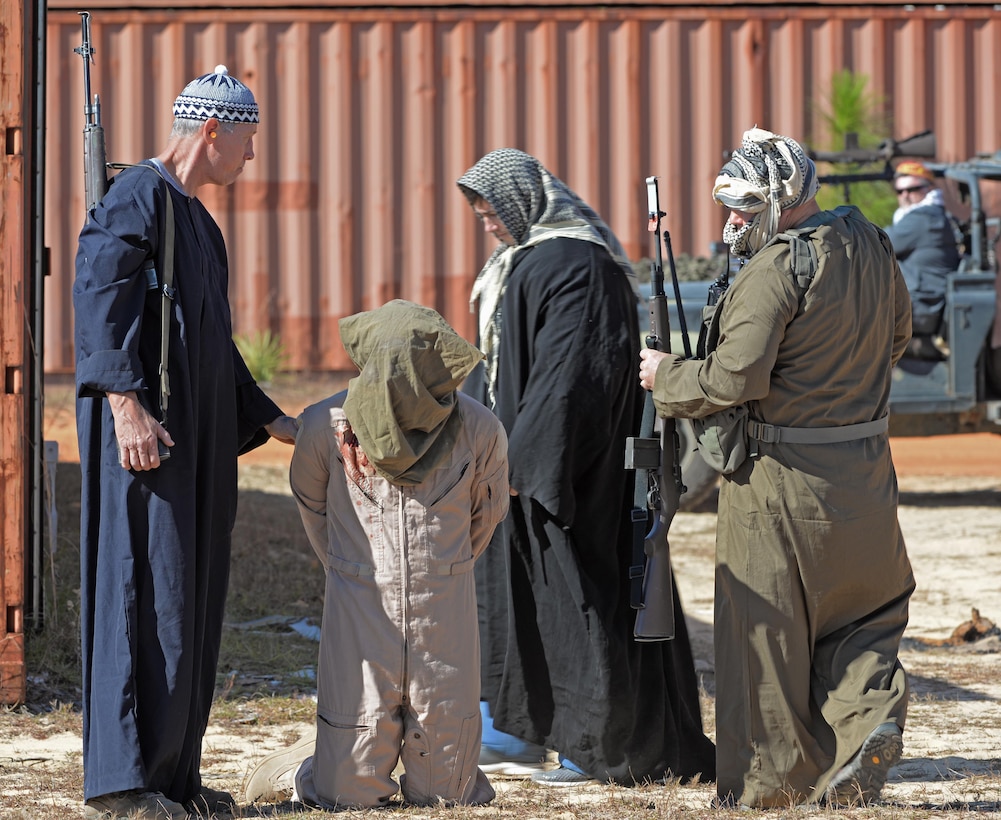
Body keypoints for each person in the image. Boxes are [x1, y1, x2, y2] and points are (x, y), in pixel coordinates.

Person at [638, 127, 915, 808]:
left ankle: (768, 788)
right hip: (865, 474)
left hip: (774, 481)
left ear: (782, 200)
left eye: (742, 204)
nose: (731, 218)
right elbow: (899, 337)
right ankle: (864, 731)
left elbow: (733, 378)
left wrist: (663, 374)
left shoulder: (775, 267)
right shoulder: (871, 244)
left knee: (762, 640)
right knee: (864, 620)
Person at [74, 66, 298, 820]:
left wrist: (276, 422)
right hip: (147, 441)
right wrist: (124, 404)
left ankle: (174, 777)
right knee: (144, 589)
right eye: (249, 139)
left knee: (189, 596)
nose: (252, 156)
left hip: (194, 446)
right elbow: (98, 297)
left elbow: (215, 345)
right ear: (213, 131)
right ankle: (122, 783)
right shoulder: (135, 199)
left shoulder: (198, 222)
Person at [456, 148, 716, 787]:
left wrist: (528, 465)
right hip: (520, 461)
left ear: (522, 201)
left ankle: (593, 744)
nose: (488, 224)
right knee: (513, 596)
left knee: (579, 598)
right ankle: (515, 734)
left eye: (493, 212)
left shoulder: (578, 264)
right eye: (481, 215)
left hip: (575, 473)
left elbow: (573, 376)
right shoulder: (529, 260)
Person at [243, 300, 510, 808]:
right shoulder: (325, 426)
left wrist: (441, 570)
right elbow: (313, 508)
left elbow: (485, 515)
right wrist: (356, 571)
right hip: (359, 610)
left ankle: (347, 755)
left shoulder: (478, 428)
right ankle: (310, 766)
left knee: (447, 796)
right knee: (347, 795)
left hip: (444, 613)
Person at [884, 160, 961, 359]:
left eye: (912, 189)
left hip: (921, 307)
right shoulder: (933, 215)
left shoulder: (923, 218)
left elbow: (876, 245)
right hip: (920, 304)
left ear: (929, 189)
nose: (905, 196)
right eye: (899, 191)